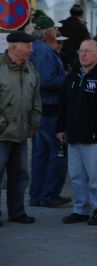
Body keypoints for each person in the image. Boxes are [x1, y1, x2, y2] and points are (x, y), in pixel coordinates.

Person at [57, 40, 97, 225]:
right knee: (76, 176)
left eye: (87, 51)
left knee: (96, 177)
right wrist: (60, 128)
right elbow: (63, 105)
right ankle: (80, 209)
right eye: (80, 50)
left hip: (94, 139)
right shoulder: (72, 77)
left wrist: (93, 127)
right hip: (73, 137)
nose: (82, 54)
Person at [28, 16, 70, 208]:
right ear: (46, 34)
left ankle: (37, 195)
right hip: (50, 110)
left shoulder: (37, 48)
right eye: (54, 29)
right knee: (58, 154)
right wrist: (68, 79)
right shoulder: (44, 52)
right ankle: (49, 195)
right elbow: (45, 81)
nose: (57, 32)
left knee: (40, 156)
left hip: (41, 110)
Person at [0, 31, 41, 225]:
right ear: (14, 46)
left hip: (22, 133)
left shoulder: (30, 68)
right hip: (2, 134)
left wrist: (33, 122)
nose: (31, 50)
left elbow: (36, 98)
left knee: (20, 174)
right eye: (27, 46)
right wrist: (2, 124)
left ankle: (17, 212)